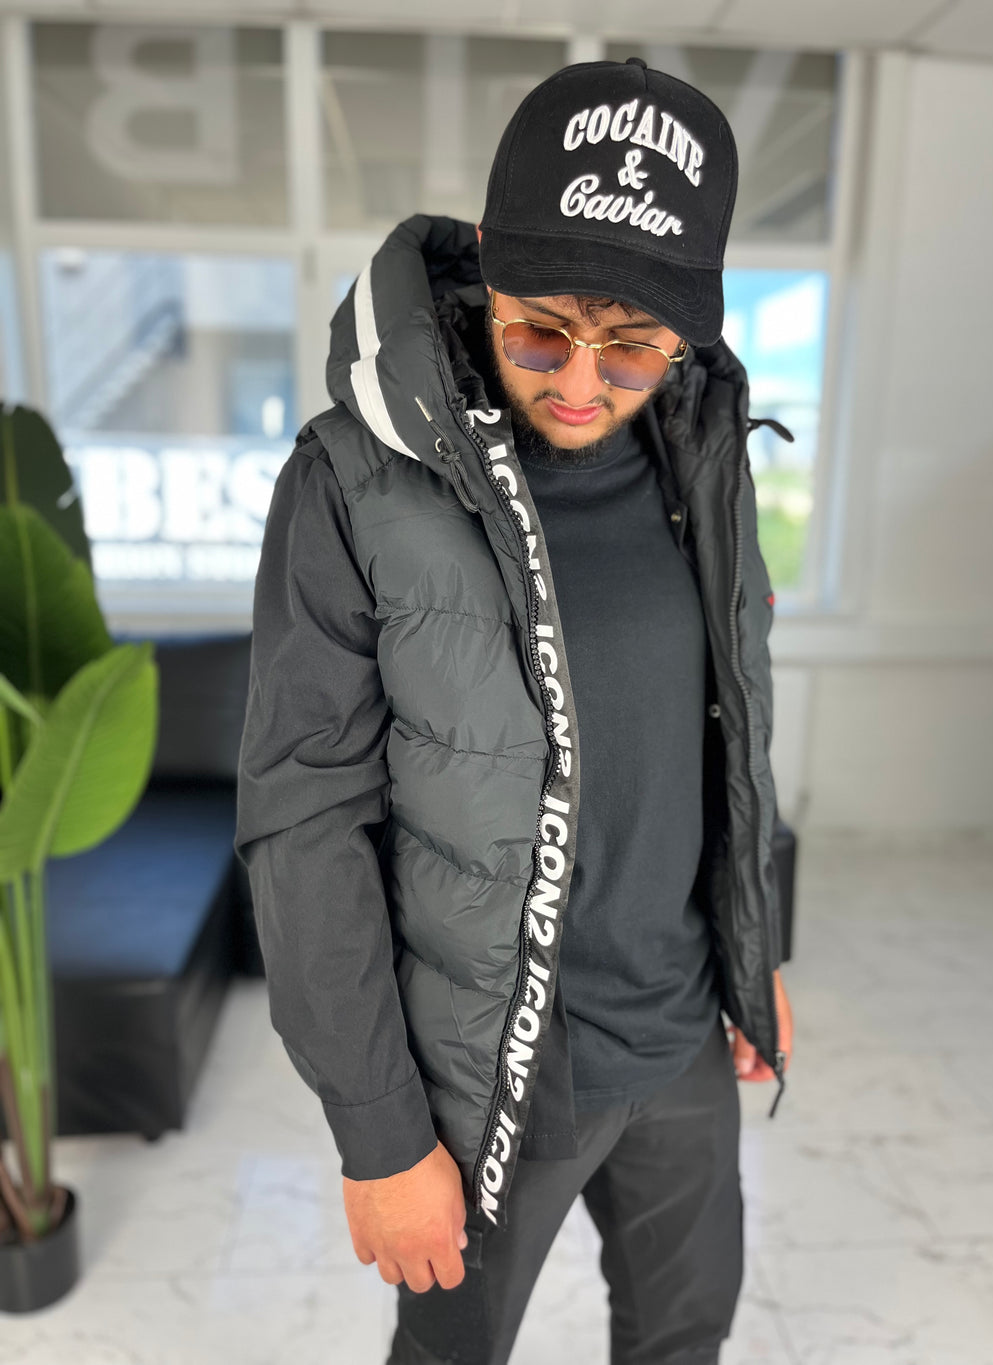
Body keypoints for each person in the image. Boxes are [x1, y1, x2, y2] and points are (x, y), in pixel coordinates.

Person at [235, 56, 794, 1365]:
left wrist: (756, 938)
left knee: (685, 1339)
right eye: (543, 331)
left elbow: (730, 723)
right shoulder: (352, 479)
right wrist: (380, 1134)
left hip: (680, 1040)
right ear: (489, 257)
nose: (586, 383)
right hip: (492, 1076)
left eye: (636, 344)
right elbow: (305, 820)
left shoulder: (703, 449)